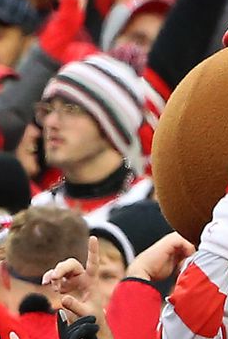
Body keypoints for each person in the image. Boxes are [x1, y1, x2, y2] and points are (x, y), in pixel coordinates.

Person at [31, 54, 150, 220]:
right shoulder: (38, 210)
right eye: (48, 110)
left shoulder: (149, 204)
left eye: (71, 109)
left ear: (111, 126)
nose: (51, 122)